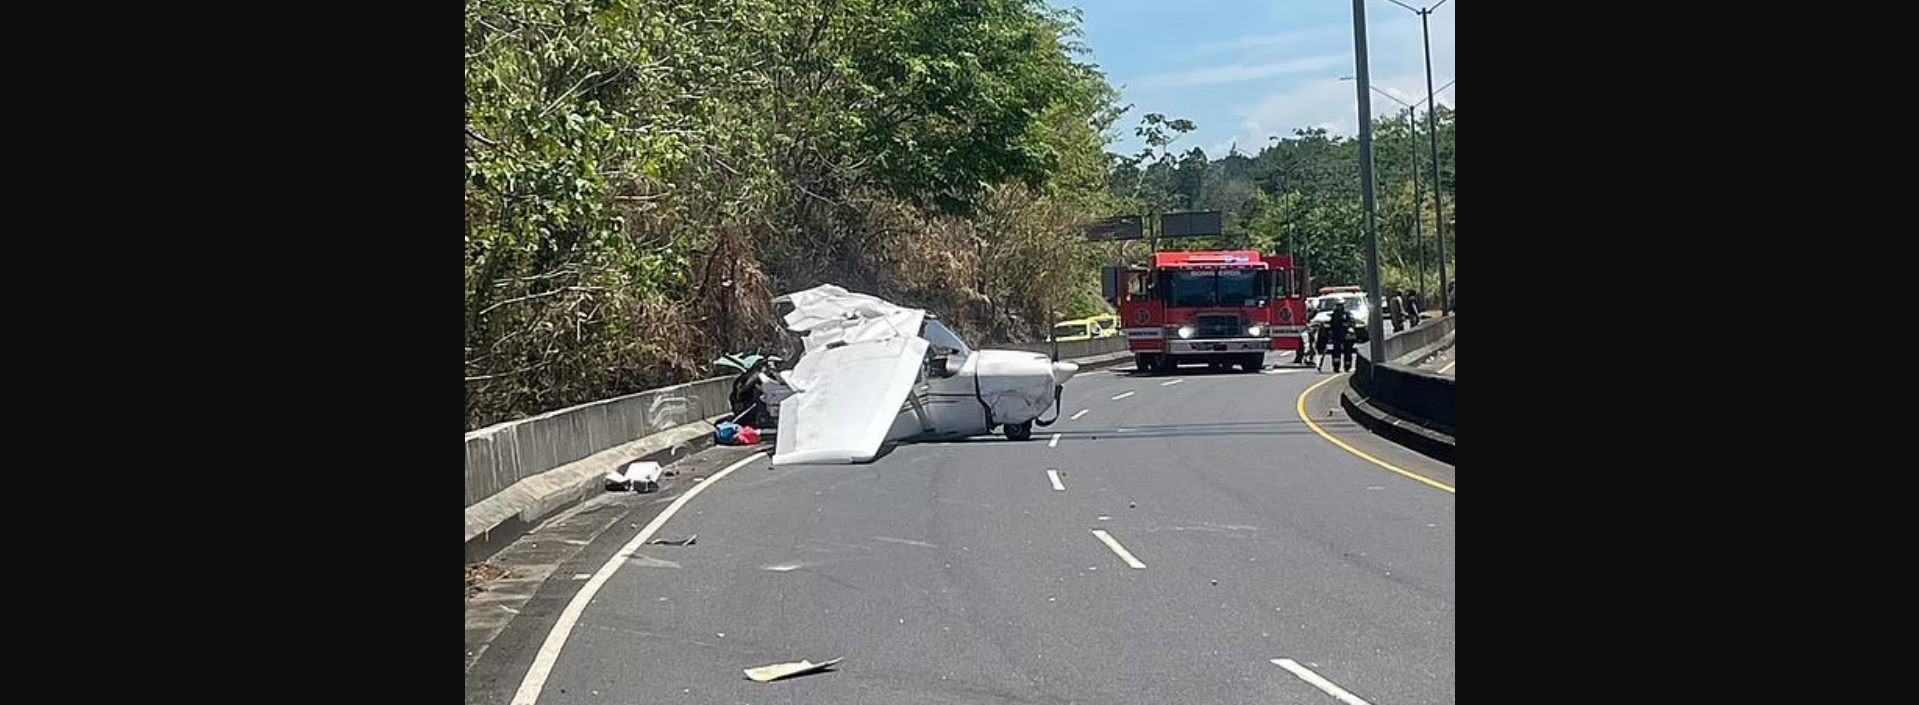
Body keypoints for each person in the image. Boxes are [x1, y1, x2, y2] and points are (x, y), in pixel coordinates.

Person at [1324, 303, 1357, 373]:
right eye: (1338, 305)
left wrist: (1348, 326)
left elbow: (1352, 323)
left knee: (1347, 351)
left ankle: (1347, 366)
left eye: (1340, 305)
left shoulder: (1347, 314)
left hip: (1346, 335)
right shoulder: (1334, 315)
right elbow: (1331, 325)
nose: (1339, 307)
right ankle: (1336, 366)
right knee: (1336, 352)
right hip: (1336, 336)